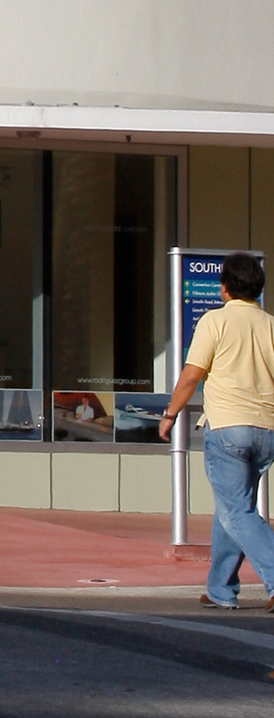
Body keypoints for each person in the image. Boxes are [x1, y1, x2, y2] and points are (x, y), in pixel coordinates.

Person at [155, 248, 274, 611]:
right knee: (234, 507)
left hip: (227, 427)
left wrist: (170, 414)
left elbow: (192, 375)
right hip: (266, 430)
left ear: (224, 288)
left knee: (237, 511)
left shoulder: (214, 321)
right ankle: (221, 587)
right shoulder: (270, 325)